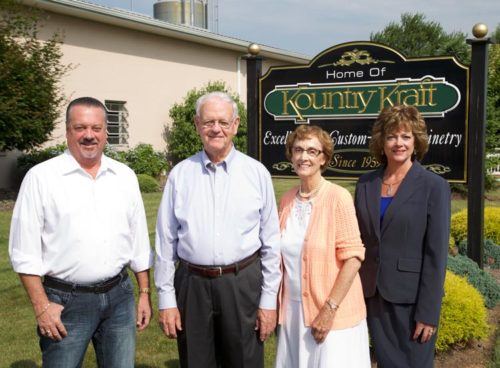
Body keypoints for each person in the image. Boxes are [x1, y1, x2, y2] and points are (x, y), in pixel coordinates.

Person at [9, 97, 154, 368]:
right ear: (67, 131)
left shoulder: (124, 176)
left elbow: (138, 241)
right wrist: (42, 306)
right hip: (64, 302)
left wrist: (144, 293)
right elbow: (24, 252)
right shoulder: (42, 178)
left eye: (96, 128)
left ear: (105, 133)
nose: (89, 135)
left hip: (119, 298)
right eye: (80, 128)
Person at [155, 91, 281, 368]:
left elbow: (271, 243)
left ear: (235, 125)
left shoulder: (256, 173)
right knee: (196, 362)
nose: (216, 129)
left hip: (242, 283)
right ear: (197, 124)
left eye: (223, 122)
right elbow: (165, 241)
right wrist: (166, 299)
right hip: (192, 284)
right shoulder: (181, 175)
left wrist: (269, 301)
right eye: (209, 121)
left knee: (244, 362)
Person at [354, 105, 451, 367]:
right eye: (392, 136)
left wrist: (428, 313)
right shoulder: (365, 183)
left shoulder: (434, 186)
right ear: (381, 142)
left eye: (406, 136)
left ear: (416, 141)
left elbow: (436, 254)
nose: (399, 143)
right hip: (371, 295)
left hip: (411, 301)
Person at [275, 125, 371, 368]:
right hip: (293, 312)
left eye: (311, 151)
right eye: (298, 150)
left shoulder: (338, 197)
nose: (303, 157)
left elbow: (353, 258)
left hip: (332, 314)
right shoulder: (287, 200)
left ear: (323, 158)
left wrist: (329, 309)